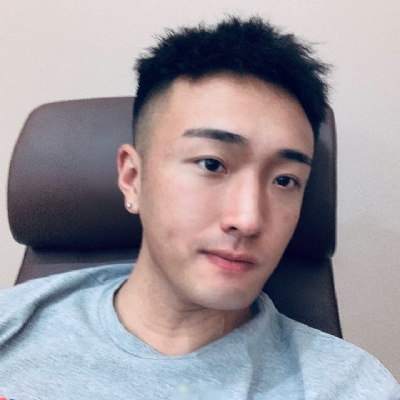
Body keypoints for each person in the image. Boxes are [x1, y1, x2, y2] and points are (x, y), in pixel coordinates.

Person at [0, 16, 399, 400]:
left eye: (284, 180)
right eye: (211, 164)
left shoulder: (349, 386)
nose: (248, 220)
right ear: (133, 178)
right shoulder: (14, 326)